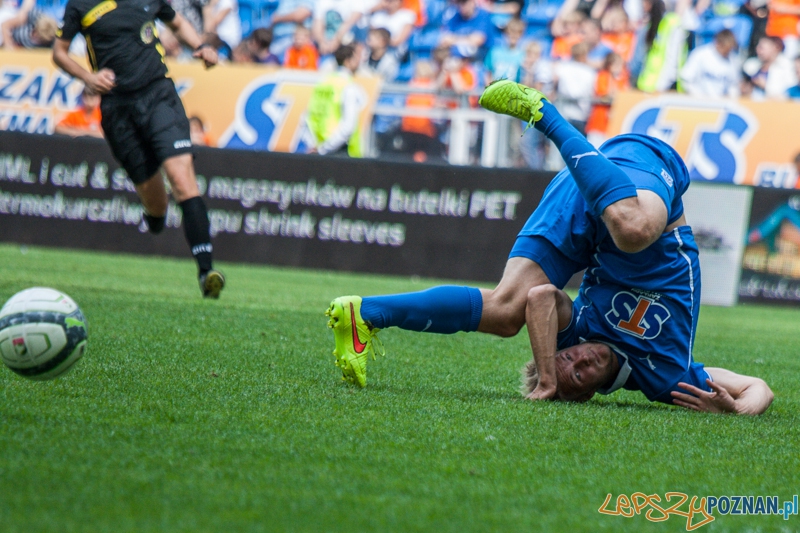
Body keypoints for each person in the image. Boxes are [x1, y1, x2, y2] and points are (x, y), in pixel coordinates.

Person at [324, 79, 773, 415]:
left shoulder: (580, 330)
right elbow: (760, 388)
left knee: (512, 307)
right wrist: (735, 410)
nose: (578, 357)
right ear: (592, 392)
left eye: (566, 357)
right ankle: (364, 313)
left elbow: (540, 299)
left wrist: (547, 376)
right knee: (621, 238)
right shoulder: (668, 377)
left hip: (614, 179)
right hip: (624, 190)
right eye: (578, 372)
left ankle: (545, 117)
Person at [52, 0, 226, 298]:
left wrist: (200, 45)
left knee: (182, 180)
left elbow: (177, 22)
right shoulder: (80, 5)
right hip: (118, 109)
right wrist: (89, 78)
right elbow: (59, 52)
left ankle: (205, 271)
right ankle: (155, 217)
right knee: (156, 202)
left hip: (159, 96)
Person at [306, 44, 367, 157]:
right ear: (348, 61)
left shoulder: (322, 83)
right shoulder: (348, 87)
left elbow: (308, 117)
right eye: (356, 58)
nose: (359, 62)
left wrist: (315, 145)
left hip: (318, 147)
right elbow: (348, 126)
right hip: (340, 150)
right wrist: (325, 148)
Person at [679, 28, 740, 98]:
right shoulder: (700, 54)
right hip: (699, 102)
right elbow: (686, 79)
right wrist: (699, 97)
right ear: (718, 43)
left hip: (721, 104)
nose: (727, 52)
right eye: (726, 49)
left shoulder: (732, 59)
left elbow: (733, 85)